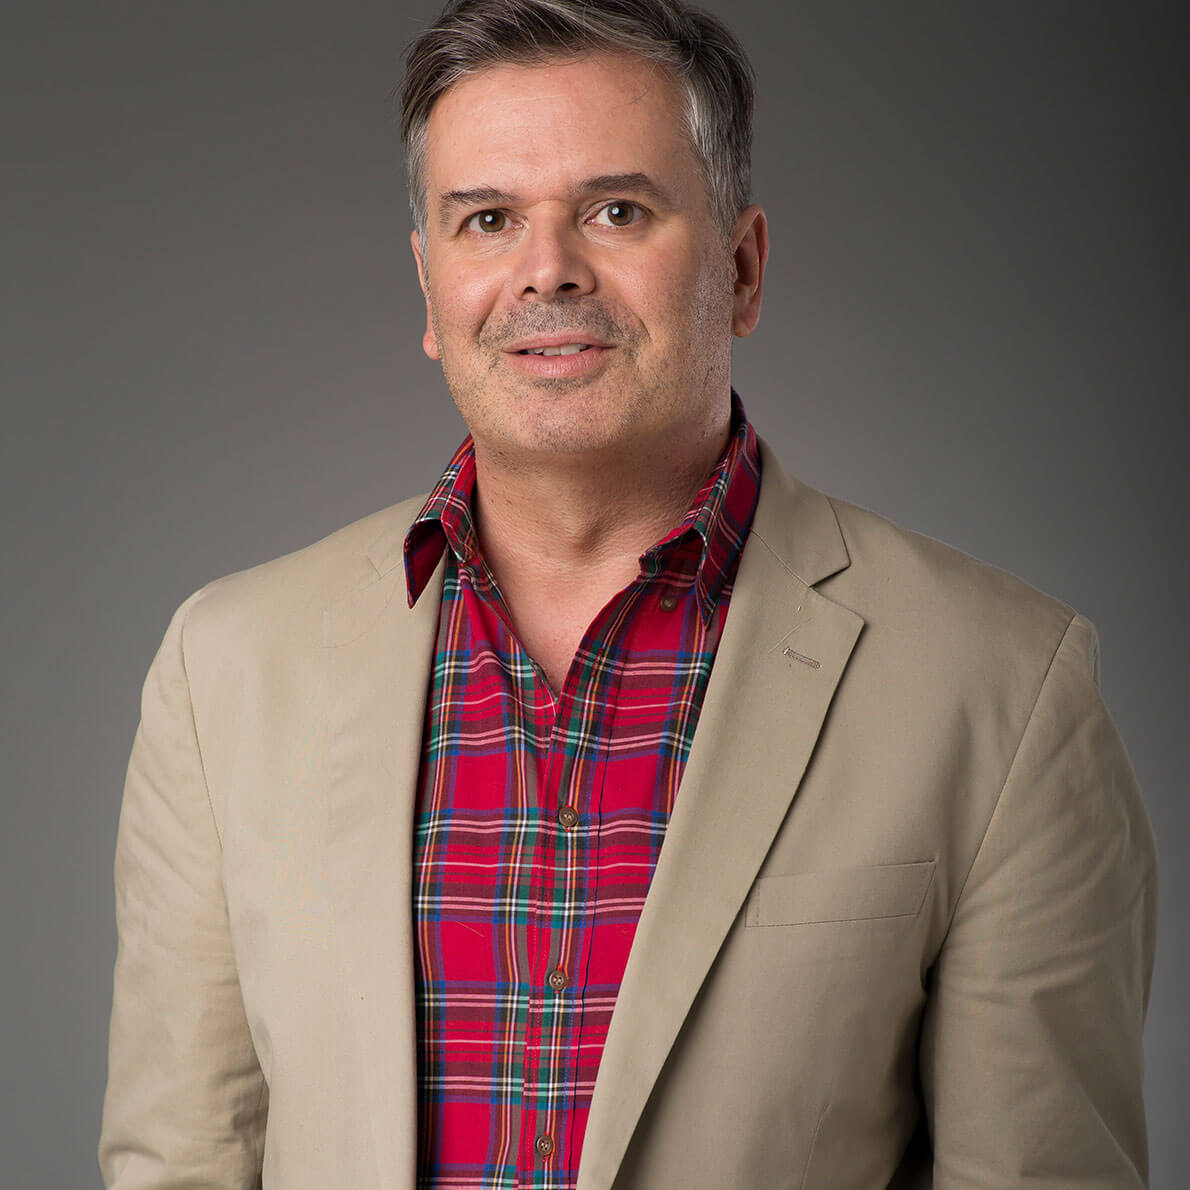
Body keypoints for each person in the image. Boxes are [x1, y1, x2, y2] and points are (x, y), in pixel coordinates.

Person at [99, 1, 1158, 1186]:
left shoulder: (1001, 689)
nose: (544, 269)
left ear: (742, 266)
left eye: (616, 210)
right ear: (430, 286)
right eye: (487, 219)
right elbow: (181, 1161)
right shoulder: (224, 669)